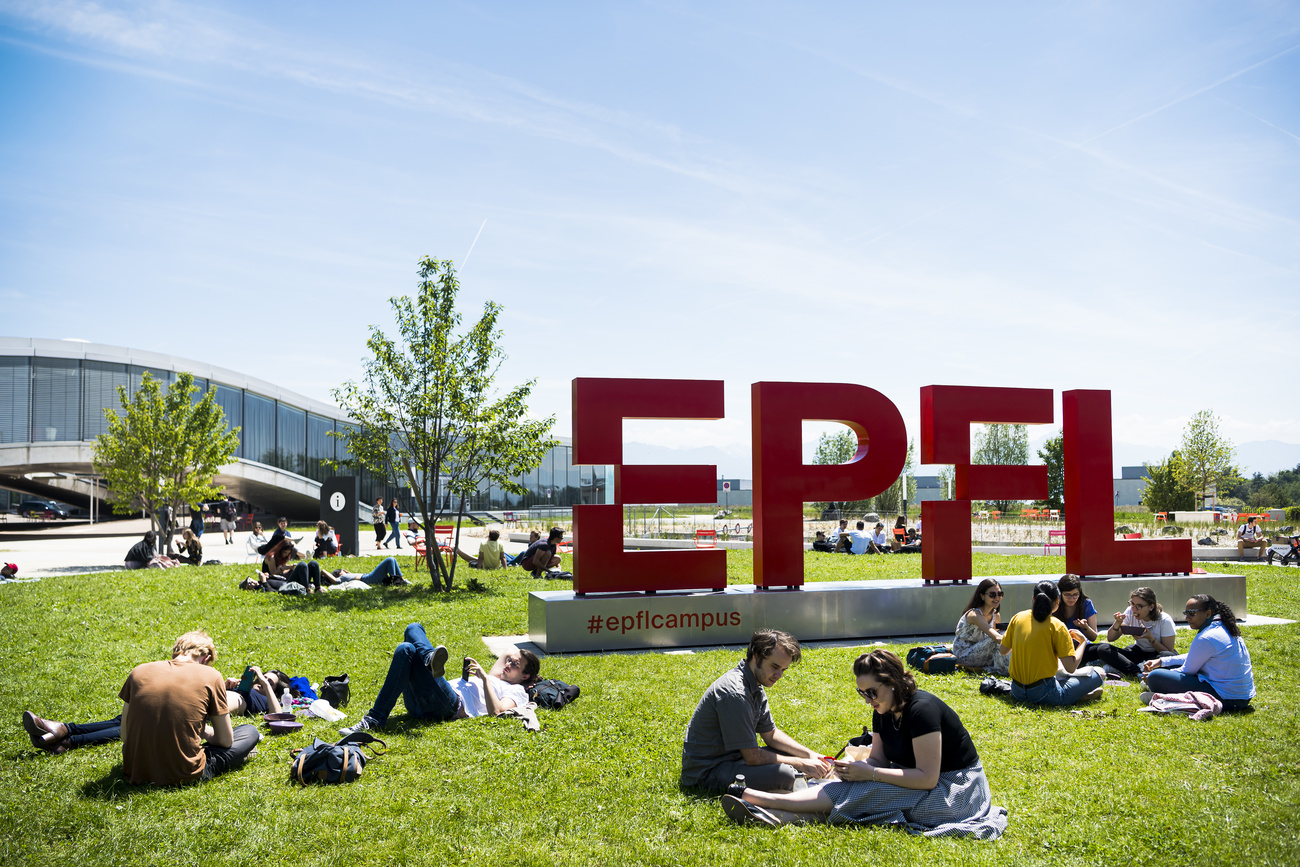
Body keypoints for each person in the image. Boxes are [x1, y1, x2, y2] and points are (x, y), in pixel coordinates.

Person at [723, 649, 1007, 839]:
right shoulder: (882, 710)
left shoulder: (922, 710)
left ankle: (760, 799)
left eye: (872, 692)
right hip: (922, 783)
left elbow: (928, 778)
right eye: (862, 693)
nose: (869, 700)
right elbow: (879, 761)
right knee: (863, 789)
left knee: (874, 792)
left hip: (957, 791)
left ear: (893, 682)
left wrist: (869, 774)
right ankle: (778, 815)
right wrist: (854, 768)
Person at [679, 629, 831, 794]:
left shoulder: (755, 682)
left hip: (735, 760)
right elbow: (753, 757)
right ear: (756, 656)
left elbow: (771, 734)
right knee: (787, 774)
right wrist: (800, 764)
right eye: (775, 666)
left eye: (784, 670)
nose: (779, 675)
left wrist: (809, 755)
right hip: (709, 771)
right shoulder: (736, 693)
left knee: (791, 757)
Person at [21, 665, 287, 754]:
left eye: (270, 681)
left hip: (203, 712)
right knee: (124, 719)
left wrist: (264, 683)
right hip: (201, 702)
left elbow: (276, 714)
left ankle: (66, 738)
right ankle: (65, 734)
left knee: (138, 724)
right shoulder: (243, 687)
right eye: (263, 677)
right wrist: (229, 683)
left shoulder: (264, 700)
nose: (263, 681)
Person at [338, 624, 540, 735]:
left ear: (525, 675)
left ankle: (375, 718)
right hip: (420, 703)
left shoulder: (516, 691)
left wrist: (485, 679)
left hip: (450, 704)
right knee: (410, 636)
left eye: (515, 665)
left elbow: (498, 712)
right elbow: (510, 650)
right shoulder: (502, 675)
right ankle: (428, 658)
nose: (507, 664)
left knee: (405, 648)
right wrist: (515, 663)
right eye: (510, 662)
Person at [117, 630, 259, 785]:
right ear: (206, 658)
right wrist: (202, 729)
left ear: (174, 653)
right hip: (184, 773)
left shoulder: (139, 671)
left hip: (136, 769)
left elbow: (125, 735)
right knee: (249, 732)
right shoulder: (211, 675)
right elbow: (225, 740)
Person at [999, 580, 1104, 706]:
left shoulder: (1018, 617)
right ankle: (1078, 695)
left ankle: (1078, 694)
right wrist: (1082, 643)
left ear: (1033, 599)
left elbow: (1003, 650)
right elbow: (1071, 668)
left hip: (1017, 691)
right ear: (1057, 601)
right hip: (1043, 692)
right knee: (1099, 672)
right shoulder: (1057, 625)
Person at [1143, 595, 1255, 710]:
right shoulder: (1224, 627)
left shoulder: (1207, 637)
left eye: (1192, 613)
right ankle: (1167, 692)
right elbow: (1196, 657)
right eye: (1186, 613)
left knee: (1155, 676)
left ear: (1208, 613)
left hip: (1227, 699)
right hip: (1242, 697)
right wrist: (1162, 661)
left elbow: (1187, 670)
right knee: (1167, 659)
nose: (1187, 618)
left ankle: (1166, 696)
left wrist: (1158, 674)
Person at [1082, 586, 1176, 676]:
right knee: (1103, 648)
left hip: (1156, 655)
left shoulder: (1164, 620)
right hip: (1138, 652)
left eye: (1139, 606)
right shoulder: (1130, 612)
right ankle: (1137, 671)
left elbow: (1169, 651)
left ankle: (1128, 669)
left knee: (1166, 656)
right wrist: (1118, 623)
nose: (1134, 609)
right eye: (1132, 604)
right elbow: (1110, 638)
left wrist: (1150, 638)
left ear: (1151, 607)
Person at [952, 579, 1010, 676]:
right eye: (992, 594)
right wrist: (1018, 642)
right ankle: (1006, 670)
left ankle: (1005, 668)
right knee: (999, 637)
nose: (997, 597)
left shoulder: (996, 615)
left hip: (982, 654)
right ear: (982, 596)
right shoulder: (974, 615)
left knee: (1002, 635)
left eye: (1000, 594)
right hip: (964, 655)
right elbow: (995, 637)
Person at [1053, 574, 1098, 642]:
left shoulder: (1086, 604)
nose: (1072, 598)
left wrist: (1085, 627)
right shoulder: (1053, 605)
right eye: (1067, 595)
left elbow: (1094, 637)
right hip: (1061, 648)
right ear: (1060, 593)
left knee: (1103, 648)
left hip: (1082, 647)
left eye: (1075, 594)